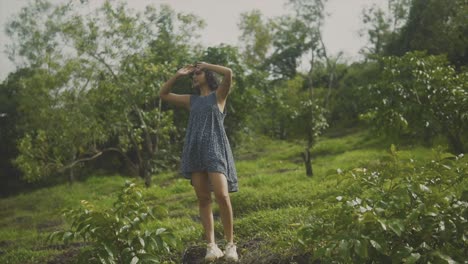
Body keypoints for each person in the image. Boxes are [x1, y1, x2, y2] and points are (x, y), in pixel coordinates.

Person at [159, 62, 239, 262]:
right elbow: (163, 94)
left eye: (198, 73)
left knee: (222, 195)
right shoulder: (191, 100)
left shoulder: (219, 95)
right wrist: (177, 75)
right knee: (203, 199)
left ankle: (230, 245)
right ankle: (211, 246)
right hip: (195, 151)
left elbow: (228, 73)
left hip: (215, 149)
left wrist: (208, 64)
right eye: (192, 75)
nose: (194, 76)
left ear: (208, 74)